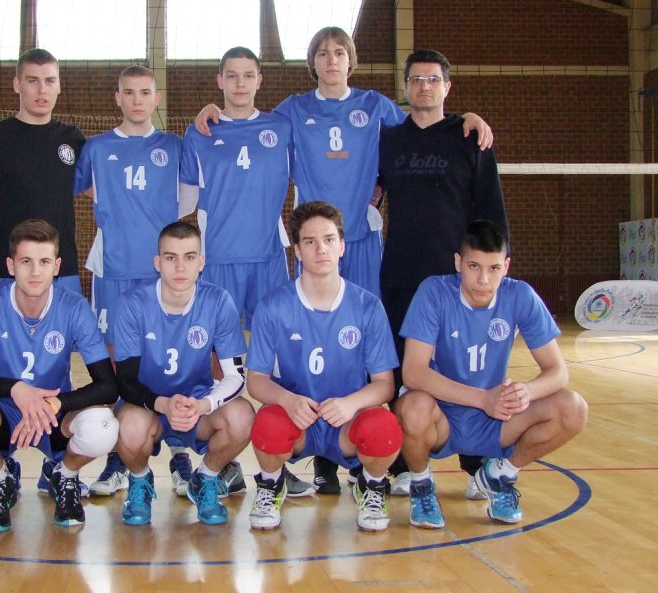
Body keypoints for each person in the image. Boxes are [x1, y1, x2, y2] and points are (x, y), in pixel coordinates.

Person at [195, 27, 492, 493]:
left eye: (339, 52)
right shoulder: (293, 110)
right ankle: (322, 458)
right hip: (317, 247)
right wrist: (212, 112)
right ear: (311, 62)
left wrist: (463, 120)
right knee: (310, 341)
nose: (331, 59)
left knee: (362, 344)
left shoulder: (376, 106)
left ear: (351, 60)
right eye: (322, 53)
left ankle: (362, 452)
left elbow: (424, 125)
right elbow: (248, 124)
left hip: (362, 243)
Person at [179, 45, 313, 499]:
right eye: (231, 75)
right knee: (218, 366)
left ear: (260, 80)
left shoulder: (281, 126)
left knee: (279, 362)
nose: (240, 83)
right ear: (219, 81)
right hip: (217, 261)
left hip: (268, 258)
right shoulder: (200, 132)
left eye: (248, 75)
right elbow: (184, 202)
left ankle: (278, 462)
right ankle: (227, 460)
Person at [394, 220, 588, 528]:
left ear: (506, 266)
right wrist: (483, 398)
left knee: (573, 407)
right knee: (412, 407)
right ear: (458, 262)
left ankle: (500, 475)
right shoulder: (434, 292)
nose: (483, 279)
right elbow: (413, 373)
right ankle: (421, 484)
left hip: (494, 419)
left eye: (494, 268)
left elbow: (558, 372)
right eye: (474, 266)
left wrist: (526, 391)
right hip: (442, 415)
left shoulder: (520, 296)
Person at [377, 49, 509, 497]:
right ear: (406, 87)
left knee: (469, 369)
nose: (424, 87)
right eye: (416, 79)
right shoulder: (389, 140)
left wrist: (490, 274)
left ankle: (477, 464)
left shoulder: (470, 138)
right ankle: (403, 465)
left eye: (433, 79)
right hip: (402, 275)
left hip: (459, 279)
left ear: (447, 87)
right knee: (400, 372)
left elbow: (491, 212)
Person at [0, 219, 118, 531]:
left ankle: (64, 475)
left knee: (104, 426)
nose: (35, 271)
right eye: (26, 262)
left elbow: (108, 386)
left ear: (57, 266)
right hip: (4, 413)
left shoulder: (74, 307)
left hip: (53, 415)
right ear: (11, 265)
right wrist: (16, 389)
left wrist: (56, 403)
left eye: (44, 262)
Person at [245, 201, 402, 531]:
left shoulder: (367, 307)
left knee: (384, 426)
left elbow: (385, 384)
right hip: (297, 421)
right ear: (298, 251)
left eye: (329, 239)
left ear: (342, 246)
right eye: (310, 241)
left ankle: (371, 486)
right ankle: (271, 484)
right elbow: (256, 379)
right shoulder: (273, 306)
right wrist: (287, 399)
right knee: (267, 422)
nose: (321, 249)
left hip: (346, 421)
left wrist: (350, 404)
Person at [73, 65, 192, 498]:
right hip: (114, 271)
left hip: (164, 271)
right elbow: (73, 188)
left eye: (145, 92)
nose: (137, 100)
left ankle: (179, 449)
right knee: (114, 363)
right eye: (129, 92)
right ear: (117, 97)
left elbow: (190, 197)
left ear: (156, 98)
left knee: (172, 357)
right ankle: (118, 455)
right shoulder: (97, 148)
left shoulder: (175, 146)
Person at [112, 221, 254, 526]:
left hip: (195, 406)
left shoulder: (218, 301)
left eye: (189, 257)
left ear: (201, 262)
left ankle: (206, 479)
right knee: (127, 427)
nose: (180, 267)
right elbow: (125, 381)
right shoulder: (132, 304)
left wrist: (203, 405)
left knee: (242, 417)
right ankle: (140, 481)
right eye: (170, 257)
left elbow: (236, 376)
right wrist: (163, 404)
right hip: (147, 406)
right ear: (157, 262)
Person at [0, 48, 86, 294]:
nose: (42, 90)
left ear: (59, 86)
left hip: (60, 266)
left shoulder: (73, 138)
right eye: (33, 81)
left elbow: (94, 185)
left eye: (49, 81)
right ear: (17, 84)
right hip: (5, 265)